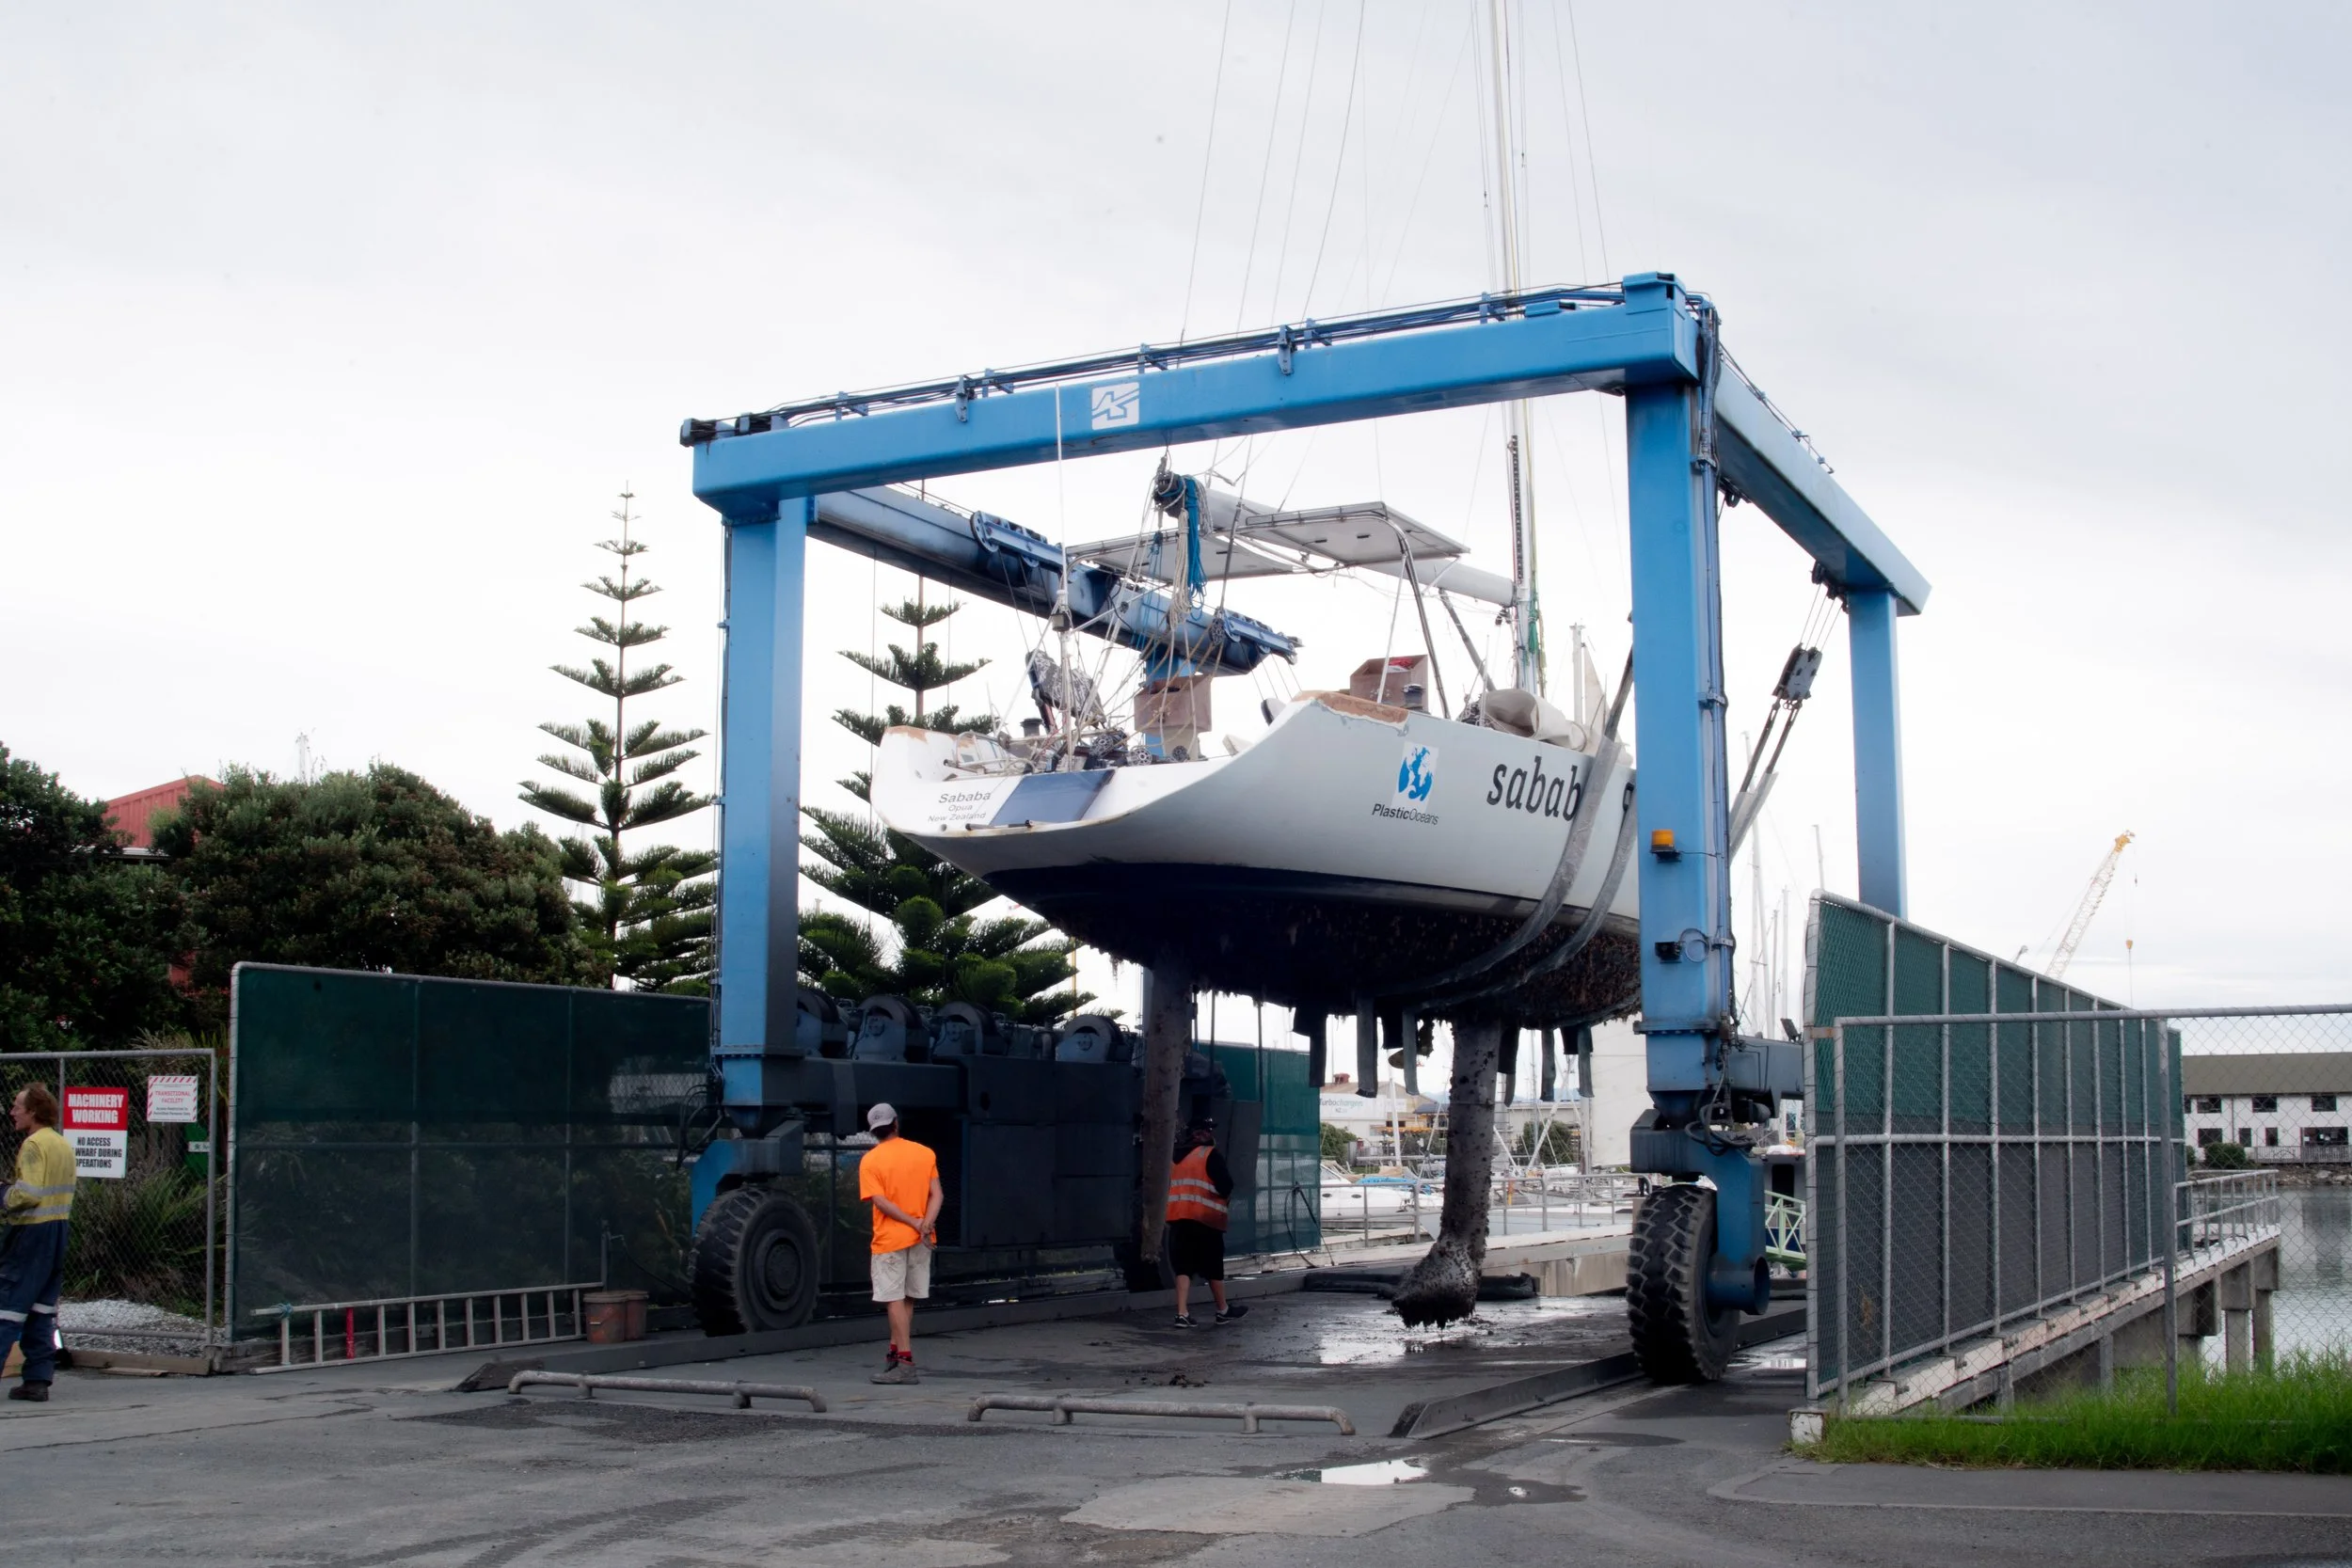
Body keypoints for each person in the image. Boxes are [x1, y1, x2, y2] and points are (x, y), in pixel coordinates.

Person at [856, 1102, 940, 1385]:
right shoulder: (924, 1153)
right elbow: (937, 1195)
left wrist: (914, 1223)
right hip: (921, 1238)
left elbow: (880, 1202)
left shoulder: (870, 1161)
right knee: (907, 1300)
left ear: (874, 1131)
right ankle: (894, 1355)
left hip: (890, 1239)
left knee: (892, 1299)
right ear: (896, 1124)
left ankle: (905, 1363)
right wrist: (924, 1223)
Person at [1, 1085, 75, 1402]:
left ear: (33, 1111)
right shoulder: (61, 1144)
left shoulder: (33, 1145)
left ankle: (35, 1379)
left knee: (7, 1309)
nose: (12, 1111)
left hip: (30, 1234)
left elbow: (29, 1193)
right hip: (57, 1233)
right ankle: (37, 1380)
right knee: (42, 1309)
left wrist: (4, 1194)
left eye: (17, 1106)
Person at [1167, 1117, 1247, 1328]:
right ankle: (1223, 1310)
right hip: (1205, 1221)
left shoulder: (1175, 1157)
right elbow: (1225, 1185)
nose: (1212, 1135)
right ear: (1203, 1134)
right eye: (1209, 1130)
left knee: (1183, 1267)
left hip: (1179, 1220)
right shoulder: (1209, 1155)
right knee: (1213, 1267)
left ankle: (1182, 1313)